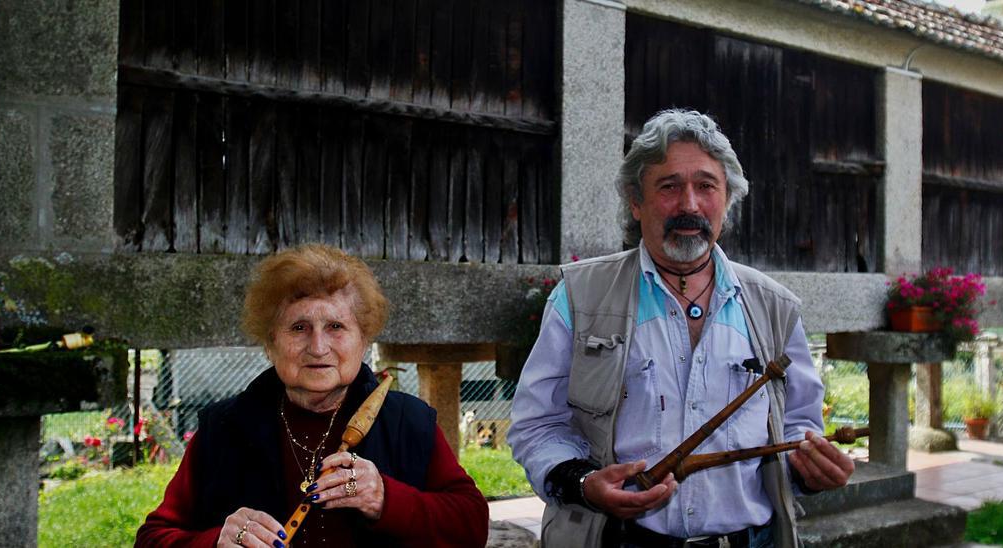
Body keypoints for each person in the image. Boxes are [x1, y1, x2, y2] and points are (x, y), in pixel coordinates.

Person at [508, 109, 854, 548]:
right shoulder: (581, 296)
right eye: (669, 186)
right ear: (637, 202)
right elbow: (538, 424)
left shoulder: (774, 306)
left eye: (706, 186)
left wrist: (811, 470)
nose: (689, 204)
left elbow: (797, 425)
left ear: (726, 202)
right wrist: (581, 483)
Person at [137, 244, 488, 547]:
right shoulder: (226, 426)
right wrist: (215, 541)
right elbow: (153, 537)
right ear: (271, 343)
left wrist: (386, 499)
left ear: (363, 340)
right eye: (299, 328)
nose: (318, 347)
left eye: (336, 327)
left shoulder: (407, 421)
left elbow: (472, 526)